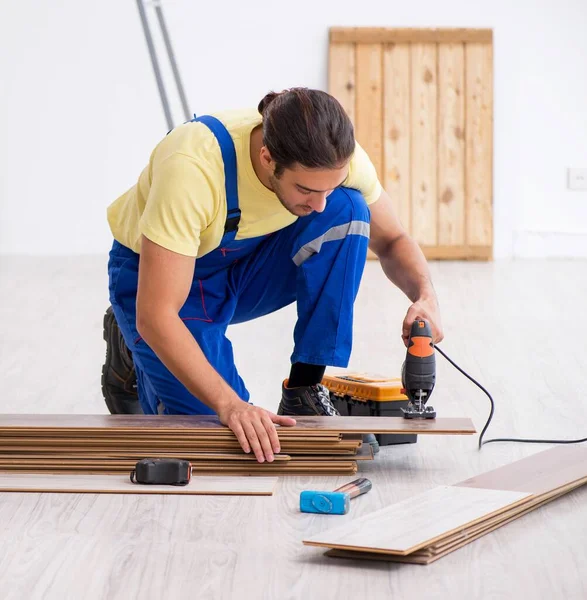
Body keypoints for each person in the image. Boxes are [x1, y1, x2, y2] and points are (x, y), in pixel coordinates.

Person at [102, 87, 443, 464]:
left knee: (349, 210)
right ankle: (131, 352)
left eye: (328, 186)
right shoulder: (192, 167)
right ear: (267, 158)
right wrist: (230, 405)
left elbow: (392, 239)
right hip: (156, 282)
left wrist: (425, 296)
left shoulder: (333, 160)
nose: (319, 204)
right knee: (210, 433)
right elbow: (157, 314)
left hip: (243, 263)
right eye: (306, 189)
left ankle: (304, 387)